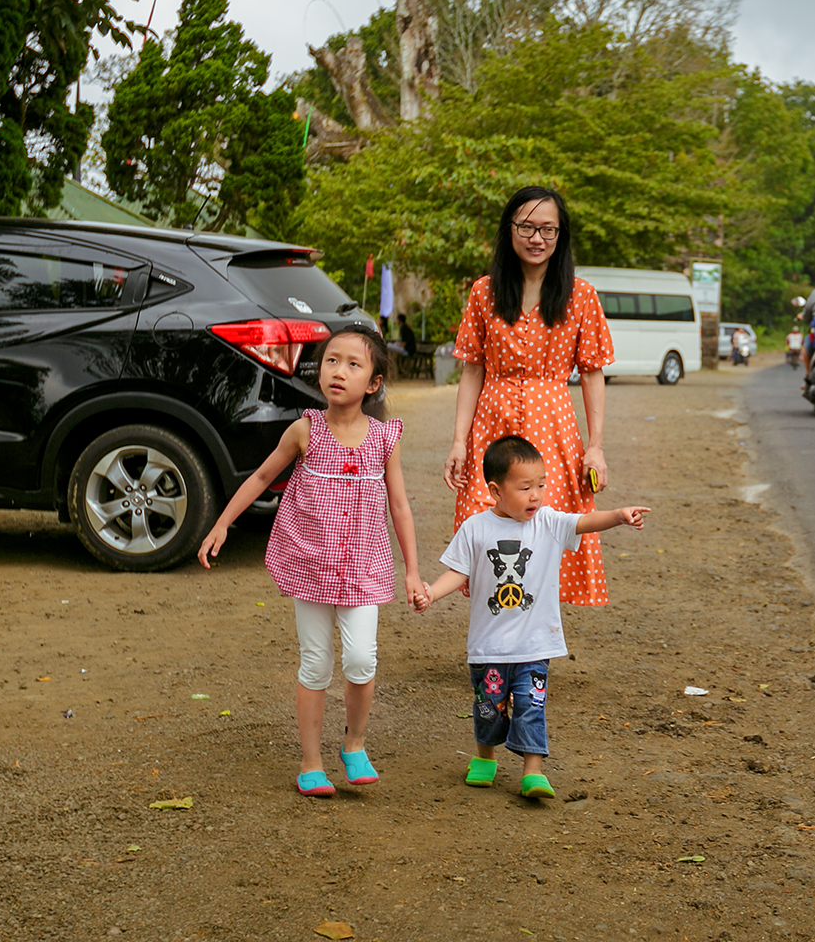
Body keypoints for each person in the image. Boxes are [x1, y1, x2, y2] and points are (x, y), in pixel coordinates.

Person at [198, 325, 424, 798]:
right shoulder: (304, 430)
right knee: (316, 663)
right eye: (331, 361)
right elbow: (262, 476)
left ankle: (355, 745)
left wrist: (413, 569)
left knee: (362, 659)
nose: (339, 371)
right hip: (311, 565)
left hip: (364, 567)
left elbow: (399, 505)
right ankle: (311, 762)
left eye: (353, 364)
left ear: (374, 383)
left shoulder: (385, 438)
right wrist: (222, 523)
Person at [417, 435, 647, 796]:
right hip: (489, 645)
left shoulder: (548, 522)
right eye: (525, 487)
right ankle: (485, 757)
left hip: (536, 643)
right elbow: (458, 572)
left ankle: (532, 771)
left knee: (531, 705)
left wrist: (618, 516)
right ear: (495, 490)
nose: (536, 495)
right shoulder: (476, 528)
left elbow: (584, 521)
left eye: (541, 484)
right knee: (488, 707)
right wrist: (431, 592)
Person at [446, 186, 615, 607]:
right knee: (484, 523)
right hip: (491, 424)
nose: (537, 238)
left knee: (545, 528)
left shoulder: (582, 295)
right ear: (510, 230)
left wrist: (595, 447)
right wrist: (457, 442)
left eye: (548, 229)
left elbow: (592, 374)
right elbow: (472, 369)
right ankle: (493, 638)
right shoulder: (484, 292)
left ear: (561, 236)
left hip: (554, 430)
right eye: (526, 226)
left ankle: (532, 646)